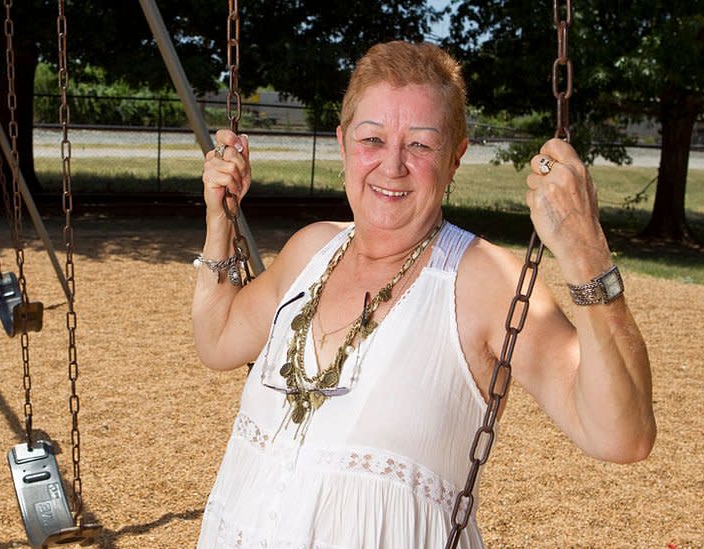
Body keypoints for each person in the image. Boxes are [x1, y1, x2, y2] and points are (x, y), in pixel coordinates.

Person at [191, 40, 655, 548]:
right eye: (373, 139)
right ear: (343, 143)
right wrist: (220, 221)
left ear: (455, 158)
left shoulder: (483, 281)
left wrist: (585, 251)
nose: (392, 166)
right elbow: (217, 341)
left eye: (420, 145)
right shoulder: (312, 251)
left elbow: (621, 435)